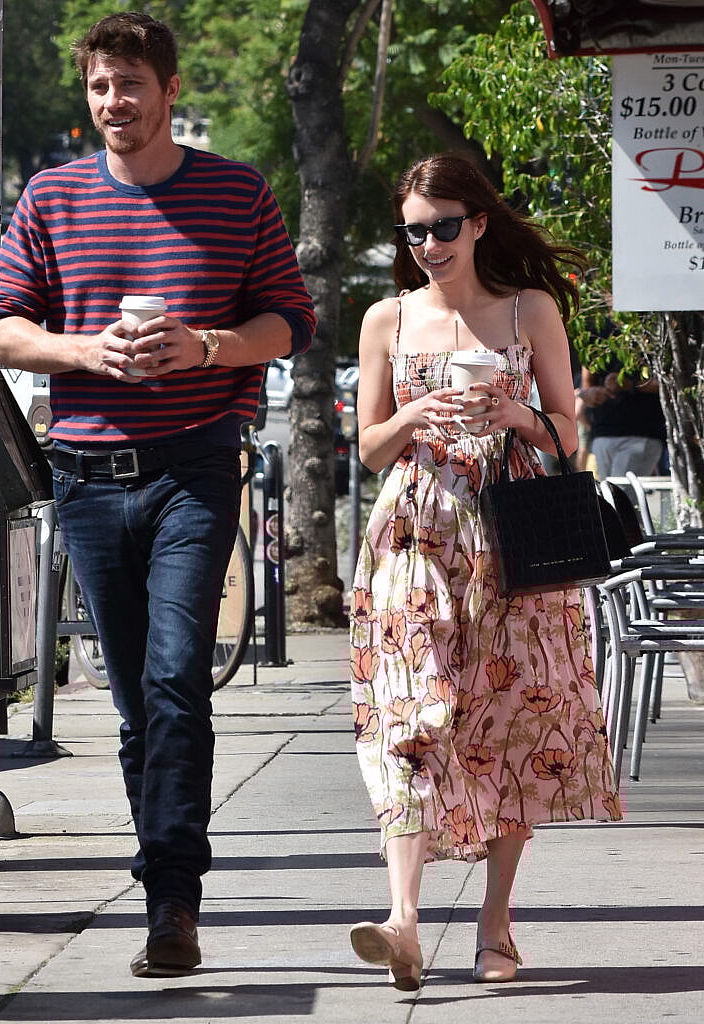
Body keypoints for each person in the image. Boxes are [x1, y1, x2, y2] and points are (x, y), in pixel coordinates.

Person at [0, 12, 315, 979]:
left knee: (177, 680)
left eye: (130, 83)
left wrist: (205, 346)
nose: (113, 103)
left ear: (169, 91)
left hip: (196, 469)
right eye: (99, 88)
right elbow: (2, 329)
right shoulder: (52, 196)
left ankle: (173, 899)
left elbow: (286, 324)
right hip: (86, 474)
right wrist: (85, 350)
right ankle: (163, 881)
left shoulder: (236, 192)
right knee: (135, 703)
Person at [348, 154, 621, 991]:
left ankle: (494, 925)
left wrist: (519, 413)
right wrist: (414, 414)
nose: (427, 243)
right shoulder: (385, 319)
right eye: (413, 229)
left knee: (510, 719)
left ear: (477, 223)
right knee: (408, 714)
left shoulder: (526, 308)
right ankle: (402, 920)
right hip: (412, 538)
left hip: (511, 540)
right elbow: (365, 450)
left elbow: (570, 436)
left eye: (441, 225)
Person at [578, 362, 667, 479]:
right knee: (608, 494)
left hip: (642, 434)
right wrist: (591, 393)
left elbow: (670, 383)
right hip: (602, 434)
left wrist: (629, 383)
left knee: (621, 493)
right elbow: (586, 387)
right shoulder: (593, 345)